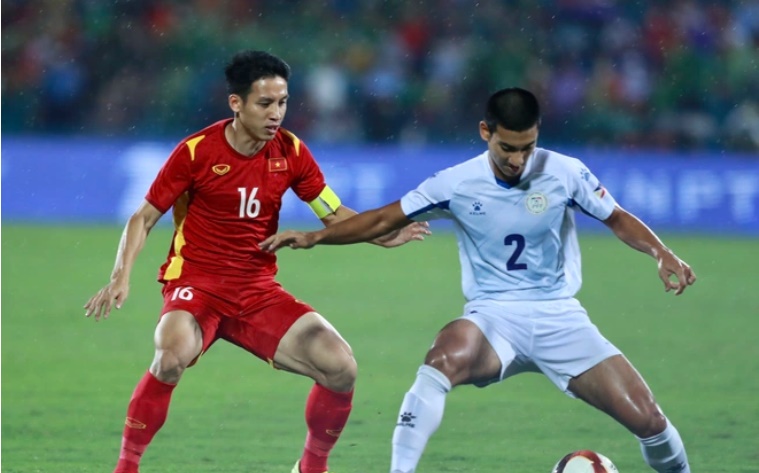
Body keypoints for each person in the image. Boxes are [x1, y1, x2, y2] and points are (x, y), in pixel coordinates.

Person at [260, 87, 696, 473]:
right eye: (507, 147)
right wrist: (316, 237)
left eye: (527, 147)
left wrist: (661, 252)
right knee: (441, 359)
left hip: (560, 317)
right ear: (485, 132)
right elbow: (381, 219)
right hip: (493, 317)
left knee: (649, 421)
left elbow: (615, 216)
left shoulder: (565, 171)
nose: (518, 159)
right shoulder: (456, 183)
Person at [84, 50, 429, 473]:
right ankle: (126, 467)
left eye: (282, 102)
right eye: (265, 103)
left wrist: (381, 233)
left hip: (256, 291)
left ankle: (311, 467)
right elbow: (144, 217)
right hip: (196, 285)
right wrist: (120, 276)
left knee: (340, 367)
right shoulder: (196, 152)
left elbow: (333, 213)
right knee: (171, 355)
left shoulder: (291, 151)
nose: (276, 114)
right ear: (236, 103)